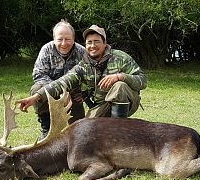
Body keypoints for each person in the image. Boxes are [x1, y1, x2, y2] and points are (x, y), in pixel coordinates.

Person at [16, 25, 147, 119]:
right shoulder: (83, 66)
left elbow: (142, 81)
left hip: (128, 101)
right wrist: (35, 97)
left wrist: (120, 76)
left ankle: (119, 130)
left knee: (120, 86)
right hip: (102, 104)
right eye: (89, 42)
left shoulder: (120, 57)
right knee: (86, 130)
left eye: (97, 41)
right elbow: (62, 82)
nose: (92, 46)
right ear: (85, 45)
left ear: (105, 43)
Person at [30, 19, 86, 138]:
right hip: (50, 93)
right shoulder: (46, 49)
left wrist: (84, 93)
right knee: (36, 89)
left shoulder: (82, 52)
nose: (64, 43)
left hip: (73, 95)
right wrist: (59, 91)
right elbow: (38, 74)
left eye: (68, 39)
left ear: (73, 38)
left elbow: (90, 76)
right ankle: (46, 127)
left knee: (78, 132)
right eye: (60, 39)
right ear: (54, 39)